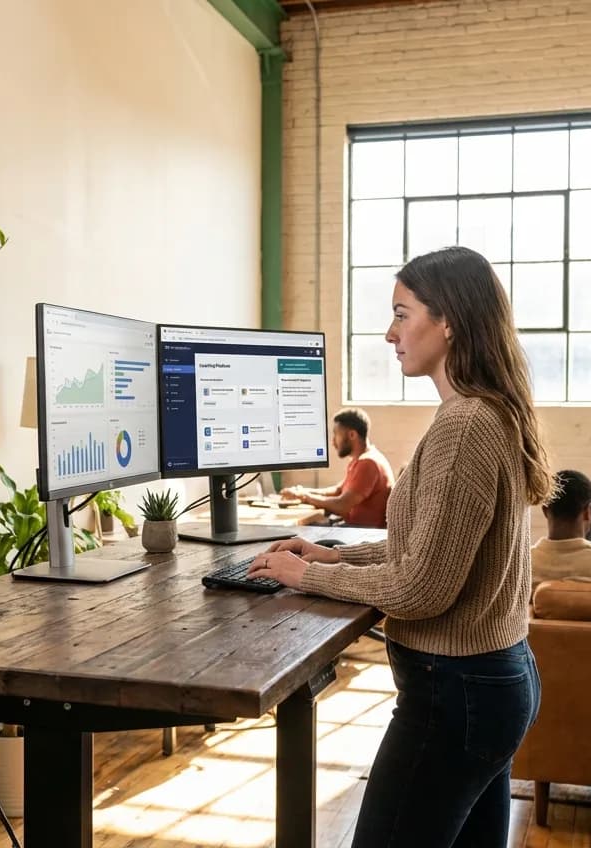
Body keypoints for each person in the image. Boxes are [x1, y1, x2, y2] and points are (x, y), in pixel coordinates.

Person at [247, 246, 547, 846]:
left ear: (450, 322)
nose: (389, 333)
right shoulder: (486, 412)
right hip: (492, 685)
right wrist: (334, 555)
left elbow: (421, 588)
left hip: (456, 695)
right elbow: (430, 548)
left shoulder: (465, 424)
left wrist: (305, 578)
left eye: (402, 314)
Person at [282, 407, 396, 527]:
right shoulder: (362, 459)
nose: (333, 442)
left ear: (352, 435)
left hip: (361, 533)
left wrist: (305, 497)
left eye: (336, 435)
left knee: (297, 532)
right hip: (352, 528)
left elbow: (342, 505)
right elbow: (338, 491)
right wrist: (302, 491)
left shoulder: (368, 463)